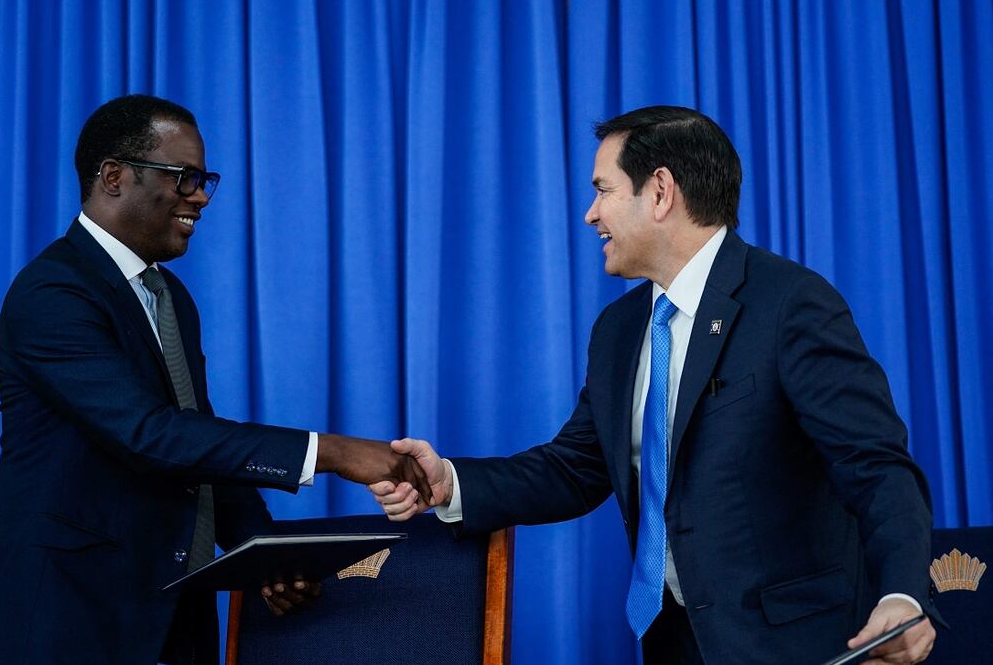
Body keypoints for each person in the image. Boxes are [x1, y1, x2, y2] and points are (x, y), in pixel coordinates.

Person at [371, 106, 939, 664]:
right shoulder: (618, 330)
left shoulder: (791, 304)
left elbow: (875, 465)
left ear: (661, 192)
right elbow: (576, 467)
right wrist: (449, 481)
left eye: (603, 190)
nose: (591, 214)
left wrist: (902, 595)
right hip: (674, 643)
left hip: (798, 645)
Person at [0, 94, 429, 665]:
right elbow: (150, 436)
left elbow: (193, 439)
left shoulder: (168, 296)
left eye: (204, 180)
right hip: (58, 619)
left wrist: (267, 554)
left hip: (166, 616)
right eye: (184, 178)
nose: (200, 196)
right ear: (114, 177)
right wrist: (332, 452)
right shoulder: (53, 293)